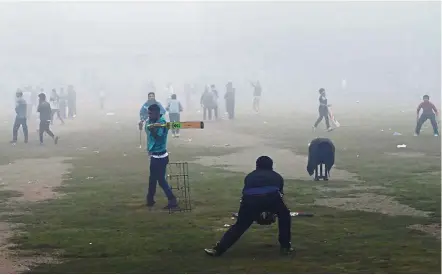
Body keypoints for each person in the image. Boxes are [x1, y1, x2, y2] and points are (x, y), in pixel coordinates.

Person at [204, 156, 293, 257]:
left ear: (257, 165)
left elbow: (247, 192)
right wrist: (272, 212)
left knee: (240, 225)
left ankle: (219, 249)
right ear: (271, 166)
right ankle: (285, 246)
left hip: (250, 201)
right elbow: (280, 194)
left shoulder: (250, 176)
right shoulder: (277, 176)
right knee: (285, 217)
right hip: (271, 198)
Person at [140, 104, 178, 209]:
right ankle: (150, 199)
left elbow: (158, 137)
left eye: (150, 114)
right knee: (152, 179)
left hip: (161, 157)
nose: (149, 115)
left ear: (157, 113)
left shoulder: (163, 123)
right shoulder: (150, 121)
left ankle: (172, 200)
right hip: (153, 156)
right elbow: (147, 131)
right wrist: (145, 126)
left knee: (161, 180)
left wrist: (153, 129)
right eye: (148, 113)